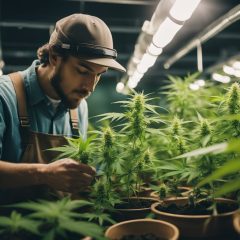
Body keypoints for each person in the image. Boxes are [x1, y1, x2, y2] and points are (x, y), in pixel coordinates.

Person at [0, 13, 125, 203]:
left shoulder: (79, 107)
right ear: (54, 57)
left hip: (60, 224)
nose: (90, 87)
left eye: (99, 75)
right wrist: (43, 173)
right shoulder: (5, 97)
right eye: (83, 71)